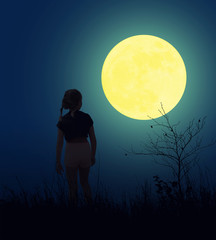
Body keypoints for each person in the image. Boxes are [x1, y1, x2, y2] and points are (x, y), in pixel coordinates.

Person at [56, 89, 97, 206]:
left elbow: (59, 143)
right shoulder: (87, 117)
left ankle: (73, 212)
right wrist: (92, 155)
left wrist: (58, 161)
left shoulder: (63, 120)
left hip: (71, 151)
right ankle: (91, 208)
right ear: (78, 102)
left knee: (72, 186)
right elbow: (93, 139)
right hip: (85, 150)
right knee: (85, 183)